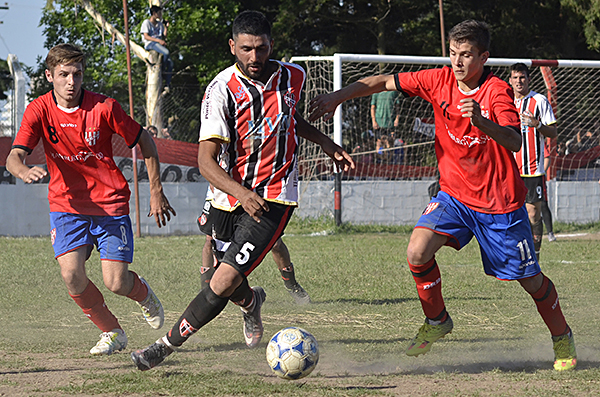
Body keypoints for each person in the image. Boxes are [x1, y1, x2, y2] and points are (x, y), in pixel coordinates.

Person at [308, 20, 576, 371]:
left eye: (466, 55)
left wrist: (482, 122)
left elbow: (514, 140)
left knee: (531, 280)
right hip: (454, 196)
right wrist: (336, 97)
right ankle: (437, 320)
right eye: (453, 53)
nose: (458, 62)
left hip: (500, 205)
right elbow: (384, 81)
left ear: (483, 56)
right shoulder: (438, 80)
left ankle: (562, 335)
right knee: (417, 251)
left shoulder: (496, 91)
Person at [130, 10, 354, 371]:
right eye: (246, 49)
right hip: (228, 195)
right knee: (218, 279)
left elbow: (290, 119)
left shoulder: (294, 76)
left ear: (271, 45)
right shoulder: (221, 91)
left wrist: (327, 143)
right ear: (232, 46)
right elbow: (206, 162)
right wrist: (241, 193)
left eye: (261, 48)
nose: (254, 57)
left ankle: (163, 347)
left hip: (274, 198)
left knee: (222, 279)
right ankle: (252, 304)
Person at [5, 43, 176, 356]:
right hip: (67, 206)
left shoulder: (105, 108)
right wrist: (23, 170)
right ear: (49, 76)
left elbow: (146, 142)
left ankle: (144, 295)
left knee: (116, 283)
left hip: (110, 205)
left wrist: (155, 190)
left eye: (77, 74)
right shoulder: (38, 110)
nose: (72, 82)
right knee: (71, 275)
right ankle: (112, 331)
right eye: (64, 75)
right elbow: (14, 157)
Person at [198, 195, 311, 305]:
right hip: (221, 197)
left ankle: (291, 285)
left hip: (251, 193)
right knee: (210, 241)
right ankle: (206, 292)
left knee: (275, 243)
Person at [509, 63, 558, 259]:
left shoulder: (539, 101)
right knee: (509, 214)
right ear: (510, 81)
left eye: (522, 77)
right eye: (515, 78)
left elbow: (553, 132)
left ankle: (535, 257)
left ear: (528, 79)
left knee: (533, 214)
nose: (519, 81)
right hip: (510, 167)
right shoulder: (505, 102)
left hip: (532, 168)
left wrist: (537, 124)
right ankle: (514, 254)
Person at [141, 5, 173, 89]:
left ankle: (167, 84)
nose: (160, 15)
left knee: (171, 63)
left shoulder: (159, 24)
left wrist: (166, 27)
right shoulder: (147, 23)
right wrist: (158, 41)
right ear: (154, 13)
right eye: (159, 13)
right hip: (151, 44)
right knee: (166, 52)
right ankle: (163, 71)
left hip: (159, 45)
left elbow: (164, 36)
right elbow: (146, 36)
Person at [542, 142, 556, 242]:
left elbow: (547, 157)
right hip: (521, 177)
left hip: (536, 178)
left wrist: (541, 172)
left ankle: (550, 232)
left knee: (543, 204)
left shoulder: (537, 140)